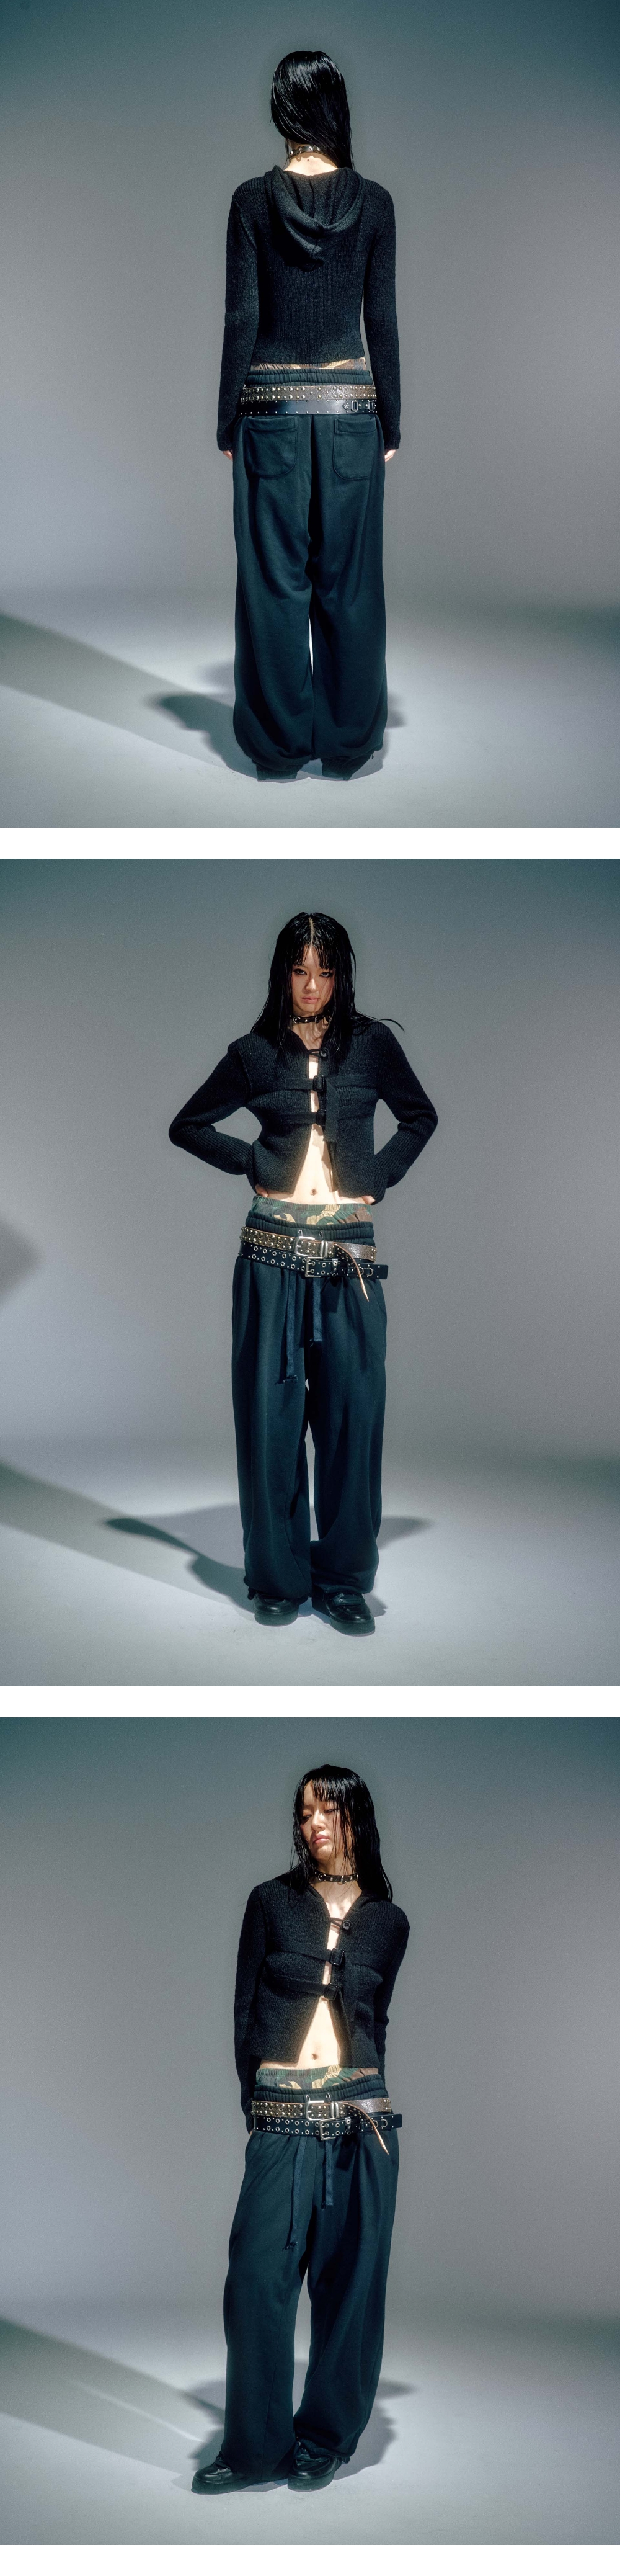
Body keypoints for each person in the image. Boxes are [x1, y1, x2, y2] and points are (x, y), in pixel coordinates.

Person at [169, 911, 437, 1635]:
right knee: (272, 1422)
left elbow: (419, 1116)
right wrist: (254, 1163)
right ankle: (277, 1578)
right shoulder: (254, 1053)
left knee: (352, 1419)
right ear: (281, 974)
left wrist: (378, 1176)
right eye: (299, 971)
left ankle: (343, 1580)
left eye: (324, 971)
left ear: (341, 975)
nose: (312, 986)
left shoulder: (373, 1045)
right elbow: (188, 1125)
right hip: (270, 1253)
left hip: (349, 1256)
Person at [192, 1763, 409, 2494]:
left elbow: (375, 2021)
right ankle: (253, 2448)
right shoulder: (271, 1902)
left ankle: (326, 2438)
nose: (313, 1823)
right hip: (282, 2113)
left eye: (327, 1810)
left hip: (363, 2120)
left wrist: (370, 2096)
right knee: (257, 2283)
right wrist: (257, 2107)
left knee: (351, 2288)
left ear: (355, 1817)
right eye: (304, 1811)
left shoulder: (389, 1922)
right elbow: (244, 2014)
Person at [217, 51, 401, 780]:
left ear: (281, 111)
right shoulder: (375, 203)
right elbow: (379, 319)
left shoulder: (249, 201)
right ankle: (349, 745)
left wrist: (225, 420)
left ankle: (277, 748)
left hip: (269, 412)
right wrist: (392, 424)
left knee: (273, 584)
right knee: (350, 584)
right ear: (336, 109)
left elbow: (242, 319)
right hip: (353, 413)